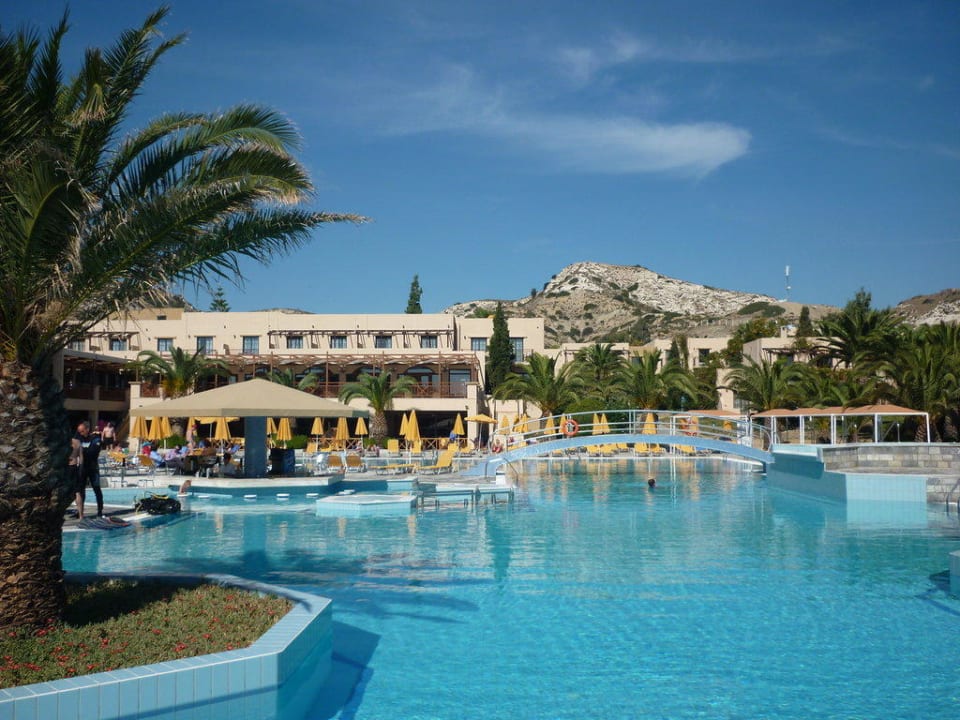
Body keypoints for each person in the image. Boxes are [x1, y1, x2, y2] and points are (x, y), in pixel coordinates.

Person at [76, 420, 104, 518]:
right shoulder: (78, 438)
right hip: (82, 468)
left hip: (93, 468)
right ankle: (80, 511)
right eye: (79, 431)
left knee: (97, 489)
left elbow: (93, 451)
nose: (80, 433)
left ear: (87, 429)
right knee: (80, 490)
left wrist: (81, 451)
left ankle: (100, 510)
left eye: (82, 431)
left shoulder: (96, 438)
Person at [68, 429, 84, 519]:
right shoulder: (78, 442)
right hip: (75, 467)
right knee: (78, 492)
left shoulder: (64, 442)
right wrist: (81, 469)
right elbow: (81, 458)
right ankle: (81, 515)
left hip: (67, 467)